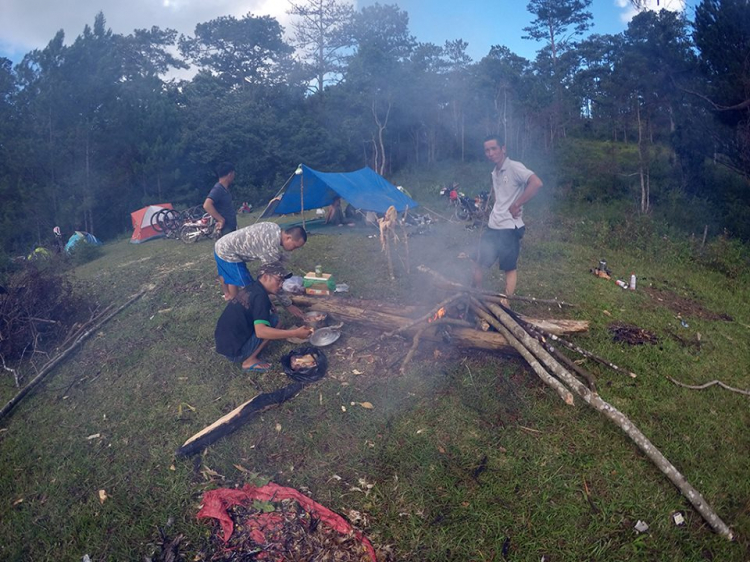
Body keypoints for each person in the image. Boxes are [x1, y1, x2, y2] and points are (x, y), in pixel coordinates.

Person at [473, 134, 543, 306]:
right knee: (477, 260)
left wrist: (517, 203)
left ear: (503, 148)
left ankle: (506, 303)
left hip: (510, 228)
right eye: (487, 150)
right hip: (493, 225)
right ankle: (478, 296)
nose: (490, 153)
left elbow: (536, 183)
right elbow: (500, 197)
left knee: (508, 267)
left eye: (493, 148)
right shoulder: (495, 172)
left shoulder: (514, 167)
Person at [214, 262, 313, 372]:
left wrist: (269, 304)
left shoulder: (252, 287)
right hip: (235, 352)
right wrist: (295, 333)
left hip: (224, 343)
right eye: (278, 280)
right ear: (266, 277)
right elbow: (261, 332)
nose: (281, 285)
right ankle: (249, 361)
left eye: (283, 281)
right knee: (273, 323)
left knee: (274, 320)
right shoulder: (260, 297)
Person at [214, 221, 307, 310]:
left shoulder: (274, 227)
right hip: (227, 252)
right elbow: (273, 278)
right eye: (295, 246)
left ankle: (233, 303)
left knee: (233, 279)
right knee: (248, 287)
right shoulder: (271, 248)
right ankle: (238, 308)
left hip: (221, 244)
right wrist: (288, 305)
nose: (293, 249)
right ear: (288, 238)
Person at [203, 162, 237, 237]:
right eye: (233, 174)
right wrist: (221, 219)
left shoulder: (225, 189)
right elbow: (207, 205)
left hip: (231, 227)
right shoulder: (218, 189)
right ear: (230, 174)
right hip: (225, 229)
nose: (234, 176)